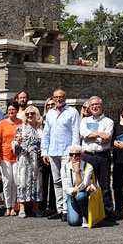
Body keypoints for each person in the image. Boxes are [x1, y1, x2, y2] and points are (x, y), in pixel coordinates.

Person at [41, 89, 80, 221]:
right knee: (56, 181)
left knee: (66, 181)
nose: (58, 99)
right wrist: (44, 151)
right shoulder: (50, 113)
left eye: (61, 97)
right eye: (56, 97)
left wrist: (73, 152)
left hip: (66, 152)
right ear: (53, 98)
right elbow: (46, 133)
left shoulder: (72, 112)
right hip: (53, 152)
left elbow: (76, 133)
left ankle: (66, 209)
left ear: (65, 98)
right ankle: (59, 209)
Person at [80, 96, 115, 219]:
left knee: (104, 185)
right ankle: (89, 212)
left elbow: (105, 139)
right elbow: (84, 134)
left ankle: (107, 211)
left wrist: (91, 137)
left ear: (101, 106)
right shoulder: (84, 121)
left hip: (102, 156)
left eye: (97, 105)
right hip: (87, 156)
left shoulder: (109, 122)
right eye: (92, 105)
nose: (94, 107)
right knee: (87, 184)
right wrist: (100, 134)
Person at [13, 105, 43, 218]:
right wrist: (18, 142)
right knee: (23, 182)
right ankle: (22, 208)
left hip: (37, 159)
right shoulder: (21, 127)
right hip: (24, 158)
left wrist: (43, 149)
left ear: (36, 114)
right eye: (27, 114)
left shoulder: (41, 127)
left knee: (37, 182)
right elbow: (14, 144)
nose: (30, 116)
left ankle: (35, 208)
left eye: (32, 113)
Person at [0, 101, 22, 216]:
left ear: (17, 110)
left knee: (15, 182)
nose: (11, 112)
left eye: (13, 110)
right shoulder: (2, 123)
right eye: (9, 110)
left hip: (17, 156)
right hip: (5, 155)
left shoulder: (21, 123)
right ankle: (7, 206)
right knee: (7, 182)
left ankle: (14, 206)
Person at [61, 145, 97, 227]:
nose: (73, 156)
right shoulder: (65, 168)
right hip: (72, 195)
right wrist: (83, 189)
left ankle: (85, 215)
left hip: (85, 196)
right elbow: (66, 189)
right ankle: (79, 213)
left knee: (81, 196)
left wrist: (77, 172)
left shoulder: (88, 167)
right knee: (74, 222)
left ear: (81, 156)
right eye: (71, 154)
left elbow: (81, 186)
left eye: (76, 154)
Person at [40, 96, 56, 214]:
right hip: (44, 153)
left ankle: (53, 205)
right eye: (49, 105)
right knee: (43, 179)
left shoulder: (56, 119)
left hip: (54, 152)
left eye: (52, 104)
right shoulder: (40, 120)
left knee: (54, 179)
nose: (51, 106)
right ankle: (42, 204)